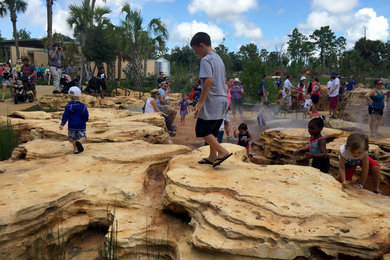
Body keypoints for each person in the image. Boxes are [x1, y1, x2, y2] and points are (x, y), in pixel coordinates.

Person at [191, 31, 232, 167]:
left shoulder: (206, 59)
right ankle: (212, 156)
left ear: (201, 46)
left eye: (195, 50)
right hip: (223, 99)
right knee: (213, 130)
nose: (196, 54)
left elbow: (208, 81)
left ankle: (222, 152)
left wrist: (200, 102)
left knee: (202, 130)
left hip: (212, 99)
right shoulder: (219, 59)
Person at [59, 86, 89, 154]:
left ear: (70, 96)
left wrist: (62, 124)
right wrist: (85, 119)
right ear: (79, 95)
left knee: (73, 138)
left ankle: (75, 149)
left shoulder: (68, 106)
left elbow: (65, 115)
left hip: (71, 125)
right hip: (80, 124)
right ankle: (80, 142)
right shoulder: (82, 106)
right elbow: (85, 113)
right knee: (83, 136)